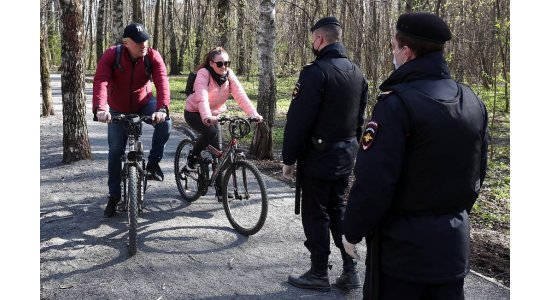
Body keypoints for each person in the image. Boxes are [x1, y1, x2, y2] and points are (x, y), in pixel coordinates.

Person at [342, 12, 489, 300]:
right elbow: (477, 171)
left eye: (394, 48)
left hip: (402, 254)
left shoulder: (396, 104)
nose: (393, 55)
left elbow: (374, 182)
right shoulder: (471, 99)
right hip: (452, 246)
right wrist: (452, 217)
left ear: (406, 52)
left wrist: (353, 231)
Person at [281, 17, 368, 292]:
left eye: (312, 40)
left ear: (319, 39)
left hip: (318, 156)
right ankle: (350, 269)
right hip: (345, 155)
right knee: (338, 209)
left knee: (316, 212)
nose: (311, 44)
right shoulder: (356, 71)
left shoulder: (315, 73)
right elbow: (360, 118)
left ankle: (318, 271)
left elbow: (299, 120)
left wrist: (288, 158)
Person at [93, 23, 172, 218]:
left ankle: (153, 163)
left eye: (145, 40)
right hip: (118, 107)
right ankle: (114, 196)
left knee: (166, 123)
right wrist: (100, 108)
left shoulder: (152, 56)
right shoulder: (113, 55)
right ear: (126, 43)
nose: (143, 44)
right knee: (115, 151)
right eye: (138, 42)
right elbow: (101, 80)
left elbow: (162, 82)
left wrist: (162, 109)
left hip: (144, 102)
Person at [183, 46, 263, 199]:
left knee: (220, 154)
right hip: (194, 112)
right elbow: (202, 96)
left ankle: (221, 191)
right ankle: (192, 159)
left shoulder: (229, 75)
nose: (224, 67)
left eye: (227, 63)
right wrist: (206, 116)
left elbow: (241, 96)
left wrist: (254, 114)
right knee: (210, 131)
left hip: (215, 114)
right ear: (211, 63)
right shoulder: (203, 74)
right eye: (220, 64)